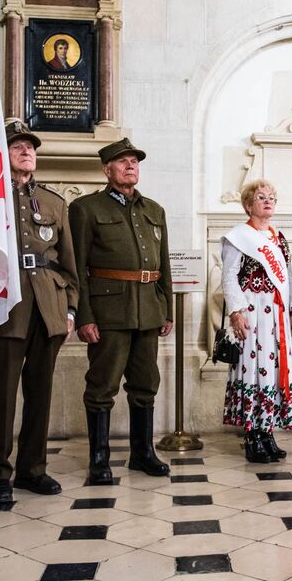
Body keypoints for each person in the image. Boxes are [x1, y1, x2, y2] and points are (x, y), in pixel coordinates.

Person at [0, 119, 79, 504]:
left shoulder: (55, 203)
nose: (27, 152)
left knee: (41, 393)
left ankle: (32, 470)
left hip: (48, 307)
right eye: (18, 146)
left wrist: (70, 310)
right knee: (2, 394)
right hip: (5, 308)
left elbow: (68, 263)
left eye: (30, 147)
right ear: (2, 154)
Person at [69, 138, 174, 484]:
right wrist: (84, 315)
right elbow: (77, 267)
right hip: (109, 311)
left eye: (134, 161)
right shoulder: (86, 209)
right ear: (107, 169)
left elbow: (164, 265)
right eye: (122, 161)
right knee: (102, 385)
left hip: (148, 310)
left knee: (146, 383)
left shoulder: (154, 210)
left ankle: (142, 453)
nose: (130, 166)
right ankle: (99, 460)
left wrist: (166, 310)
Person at [222, 180, 292, 463]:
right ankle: (252, 434)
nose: (268, 201)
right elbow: (229, 277)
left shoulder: (278, 238)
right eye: (261, 197)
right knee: (253, 368)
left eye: (272, 197)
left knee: (273, 368)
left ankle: (267, 430)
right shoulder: (238, 237)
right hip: (252, 311)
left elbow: (288, 277)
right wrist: (236, 312)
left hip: (276, 313)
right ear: (248, 205)